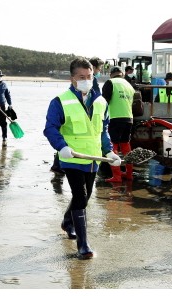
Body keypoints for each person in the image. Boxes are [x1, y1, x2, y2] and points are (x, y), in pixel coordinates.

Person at [44, 57, 121, 259]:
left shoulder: (100, 101)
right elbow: (50, 128)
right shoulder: (60, 102)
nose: (86, 80)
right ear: (72, 79)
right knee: (80, 196)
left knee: (85, 196)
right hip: (72, 157)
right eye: (81, 77)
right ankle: (83, 245)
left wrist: (109, 151)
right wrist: (61, 147)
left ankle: (67, 222)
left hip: (93, 157)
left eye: (89, 76)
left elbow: (103, 130)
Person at [101, 66, 136, 182]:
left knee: (113, 146)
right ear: (122, 74)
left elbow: (104, 102)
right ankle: (129, 174)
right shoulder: (128, 85)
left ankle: (117, 176)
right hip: (129, 118)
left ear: (111, 74)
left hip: (115, 118)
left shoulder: (110, 83)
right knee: (126, 146)